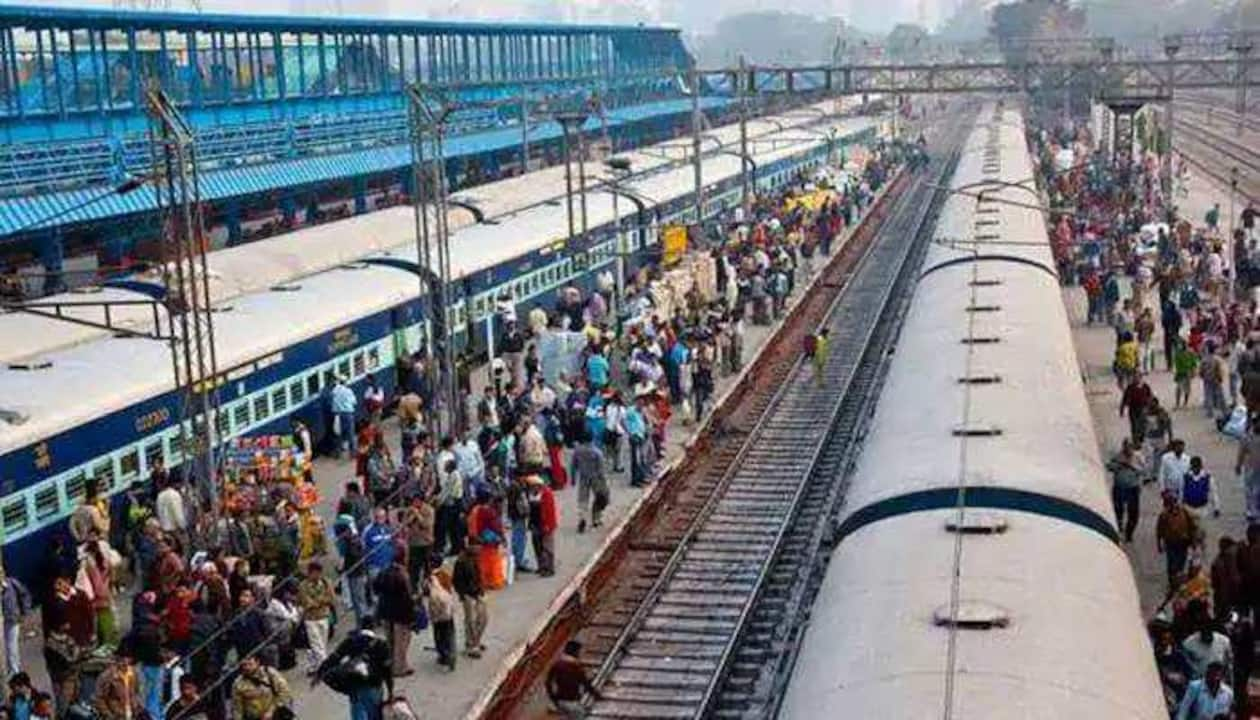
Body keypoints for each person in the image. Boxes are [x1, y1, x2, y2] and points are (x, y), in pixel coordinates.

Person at [315, 618, 393, 720]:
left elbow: (334, 658)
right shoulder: (381, 644)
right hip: (374, 684)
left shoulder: (351, 641)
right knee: (374, 715)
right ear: (374, 628)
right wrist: (390, 689)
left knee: (357, 712)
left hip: (355, 684)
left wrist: (320, 672)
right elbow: (387, 670)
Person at [371, 561, 416, 677]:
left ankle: (391, 663)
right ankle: (400, 668)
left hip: (385, 611)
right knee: (401, 641)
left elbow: (375, 588)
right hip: (400, 613)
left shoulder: (383, 573)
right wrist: (412, 616)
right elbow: (407, 596)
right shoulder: (402, 576)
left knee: (390, 639)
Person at [546, 640, 603, 719]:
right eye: (578, 651)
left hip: (560, 701)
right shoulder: (576, 667)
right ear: (575, 652)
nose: (579, 654)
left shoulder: (556, 665)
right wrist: (596, 695)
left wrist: (554, 699)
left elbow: (548, 683)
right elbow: (585, 683)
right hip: (572, 701)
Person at [296, 561, 336, 674]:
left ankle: (314, 666)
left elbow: (331, 599)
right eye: (315, 573)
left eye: (319, 572)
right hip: (310, 619)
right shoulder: (303, 585)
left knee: (322, 644)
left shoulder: (326, 582)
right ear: (309, 573)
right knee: (316, 645)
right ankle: (326, 666)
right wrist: (322, 600)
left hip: (324, 616)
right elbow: (307, 603)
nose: (318, 575)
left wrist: (318, 601)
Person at [1157, 490, 1200, 590]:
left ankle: (1178, 580)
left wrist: (1194, 541)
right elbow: (1159, 530)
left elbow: (1193, 526)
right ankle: (1172, 582)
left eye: (1174, 501)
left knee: (1181, 562)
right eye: (1170, 502)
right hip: (1170, 542)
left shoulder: (1184, 512)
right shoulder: (1164, 515)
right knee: (1172, 563)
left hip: (1183, 542)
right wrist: (1159, 543)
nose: (1173, 505)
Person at [231, 655, 292, 720]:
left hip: (275, 714)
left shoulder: (270, 673)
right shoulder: (238, 683)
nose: (247, 667)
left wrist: (271, 710)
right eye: (244, 665)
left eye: (250, 664)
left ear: (257, 662)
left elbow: (285, 693)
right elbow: (237, 708)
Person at [453, 544, 487, 659]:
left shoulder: (476, 558)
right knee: (470, 620)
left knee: (483, 618)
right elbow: (456, 581)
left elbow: (479, 576)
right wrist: (462, 595)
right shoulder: (461, 562)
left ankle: (475, 640)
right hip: (467, 594)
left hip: (477, 593)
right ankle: (471, 645)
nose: (480, 550)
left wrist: (481, 590)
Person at [1106, 439, 1143, 543]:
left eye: (1130, 447)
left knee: (1134, 513)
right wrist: (1119, 465)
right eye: (1126, 447)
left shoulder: (1137, 457)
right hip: (1119, 487)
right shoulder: (1117, 456)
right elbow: (1109, 466)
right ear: (1123, 447)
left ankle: (1129, 533)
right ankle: (1119, 528)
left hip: (1133, 488)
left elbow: (1143, 470)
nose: (1128, 450)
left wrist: (1130, 465)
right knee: (1118, 510)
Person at [93, 645, 143, 720]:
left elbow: (136, 692)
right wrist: (108, 715)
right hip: (116, 715)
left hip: (132, 714)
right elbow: (99, 698)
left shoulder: (134, 673)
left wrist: (138, 707)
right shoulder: (108, 676)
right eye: (121, 658)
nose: (124, 661)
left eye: (127, 658)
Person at [424, 570, 457, 670]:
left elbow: (427, 592)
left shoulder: (431, 579)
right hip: (448, 613)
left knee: (439, 636)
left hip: (437, 615)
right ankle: (451, 656)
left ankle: (443, 656)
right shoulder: (445, 575)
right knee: (449, 636)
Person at [526, 475, 559, 577]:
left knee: (547, 548)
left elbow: (550, 511)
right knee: (537, 546)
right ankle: (541, 567)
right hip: (535, 524)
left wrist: (548, 525)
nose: (532, 488)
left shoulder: (547, 494)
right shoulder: (531, 494)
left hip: (545, 524)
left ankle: (549, 568)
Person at [1120, 373, 1154, 445]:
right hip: (1133, 409)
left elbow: (1150, 397)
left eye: (1137, 377)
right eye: (1134, 378)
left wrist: (1150, 407)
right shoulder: (1130, 387)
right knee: (1134, 426)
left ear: (1141, 378)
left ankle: (1141, 439)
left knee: (1143, 426)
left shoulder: (1145, 387)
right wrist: (1122, 409)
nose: (1135, 379)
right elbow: (1124, 399)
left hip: (1143, 409)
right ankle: (1136, 441)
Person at [1236, 421, 1260, 522]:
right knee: (1249, 490)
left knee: (1257, 490)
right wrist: (1238, 465)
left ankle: (1255, 510)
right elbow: (1241, 452)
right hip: (1250, 467)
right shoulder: (1246, 437)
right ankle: (1250, 511)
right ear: (1254, 424)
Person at [330, 376, 357, 458]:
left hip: (337, 415)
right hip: (347, 414)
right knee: (351, 434)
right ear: (345, 382)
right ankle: (352, 453)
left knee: (338, 434)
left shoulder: (334, 391)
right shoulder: (348, 391)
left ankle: (338, 453)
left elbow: (333, 401)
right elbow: (354, 402)